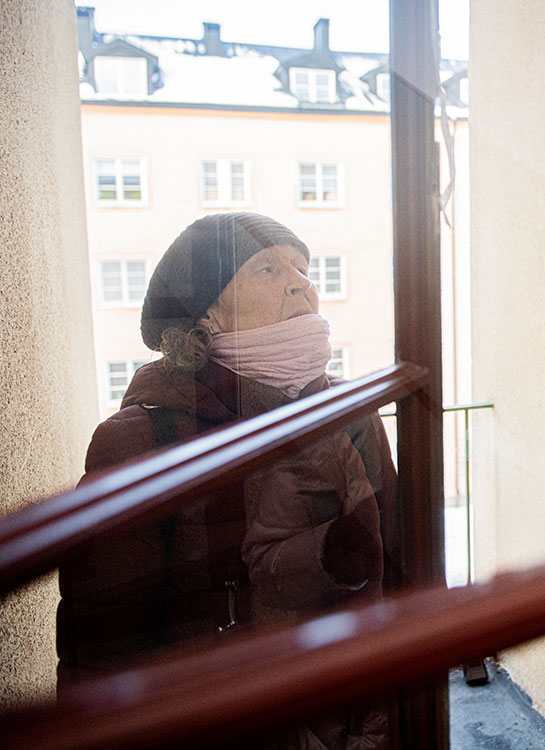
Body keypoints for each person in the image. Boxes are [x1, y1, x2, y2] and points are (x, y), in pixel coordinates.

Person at [57, 212, 398, 748]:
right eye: (266, 268)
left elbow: (402, 579)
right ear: (206, 315)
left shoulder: (351, 414)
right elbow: (105, 656)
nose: (299, 281)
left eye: (302, 266)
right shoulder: (142, 439)